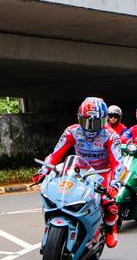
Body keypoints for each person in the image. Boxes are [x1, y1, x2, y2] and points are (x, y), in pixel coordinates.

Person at [33, 97, 123, 248]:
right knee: (61, 192)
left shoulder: (111, 136)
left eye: (95, 123)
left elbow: (118, 163)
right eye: (86, 122)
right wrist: (44, 170)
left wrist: (115, 184)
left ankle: (110, 227)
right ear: (79, 118)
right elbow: (56, 154)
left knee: (110, 203)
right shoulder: (71, 131)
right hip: (78, 169)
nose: (90, 128)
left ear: (103, 121)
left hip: (102, 172)